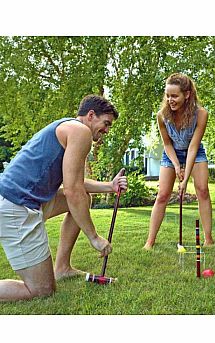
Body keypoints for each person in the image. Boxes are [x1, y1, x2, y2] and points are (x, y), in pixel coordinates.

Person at [0, 95, 128, 301]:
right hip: (16, 206)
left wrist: (110, 187)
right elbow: (72, 190)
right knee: (41, 290)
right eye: (106, 124)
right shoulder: (80, 131)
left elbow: (75, 182)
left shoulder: (69, 127)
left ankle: (62, 267)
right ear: (91, 115)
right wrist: (94, 237)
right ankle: (55, 272)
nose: (106, 130)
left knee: (84, 198)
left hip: (26, 200)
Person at [143, 73, 214, 250]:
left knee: (203, 191)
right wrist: (176, 166)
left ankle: (208, 239)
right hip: (172, 153)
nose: (170, 100)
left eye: (174, 96)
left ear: (187, 94)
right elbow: (167, 144)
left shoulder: (201, 114)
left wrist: (184, 179)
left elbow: (193, 147)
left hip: (194, 153)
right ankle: (150, 242)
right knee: (162, 195)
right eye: (167, 95)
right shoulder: (162, 116)